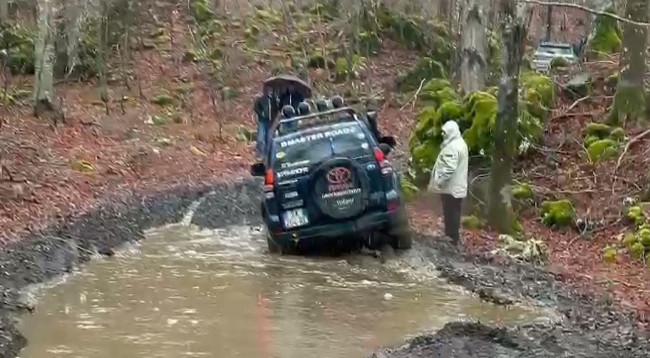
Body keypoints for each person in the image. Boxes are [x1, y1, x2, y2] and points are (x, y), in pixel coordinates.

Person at [427, 120, 468, 245]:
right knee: (455, 211)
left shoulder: (452, 147)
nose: (443, 135)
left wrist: (439, 181)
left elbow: (449, 168)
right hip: (458, 186)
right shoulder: (461, 143)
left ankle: (451, 236)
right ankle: (453, 236)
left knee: (450, 212)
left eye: (445, 132)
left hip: (450, 187)